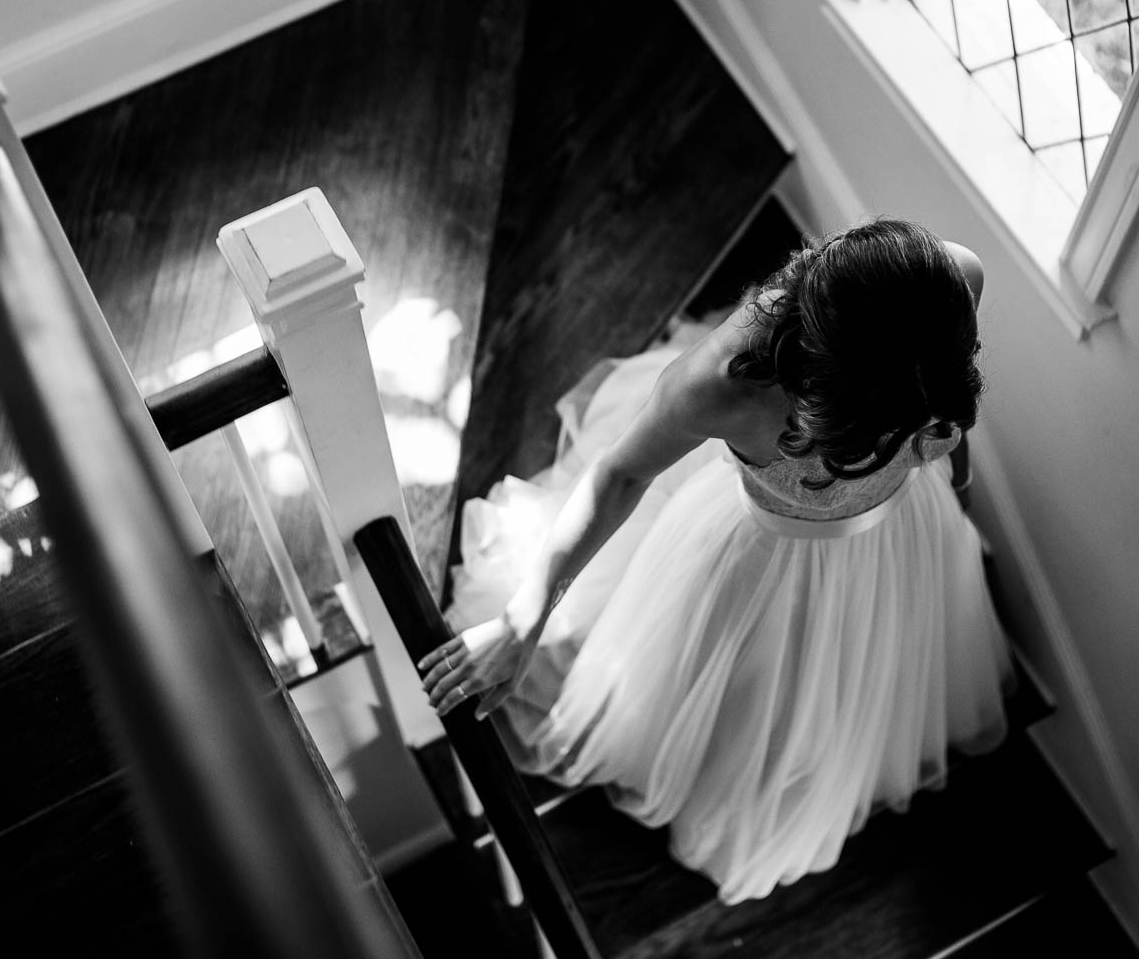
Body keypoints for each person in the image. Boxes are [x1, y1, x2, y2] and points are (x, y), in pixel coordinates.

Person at [416, 218, 1013, 903]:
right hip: (763, 557)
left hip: (901, 533)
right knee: (746, 694)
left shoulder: (950, 281)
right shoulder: (719, 387)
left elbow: (948, 410)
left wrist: (951, 470)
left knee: (867, 671)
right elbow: (619, 475)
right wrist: (527, 617)